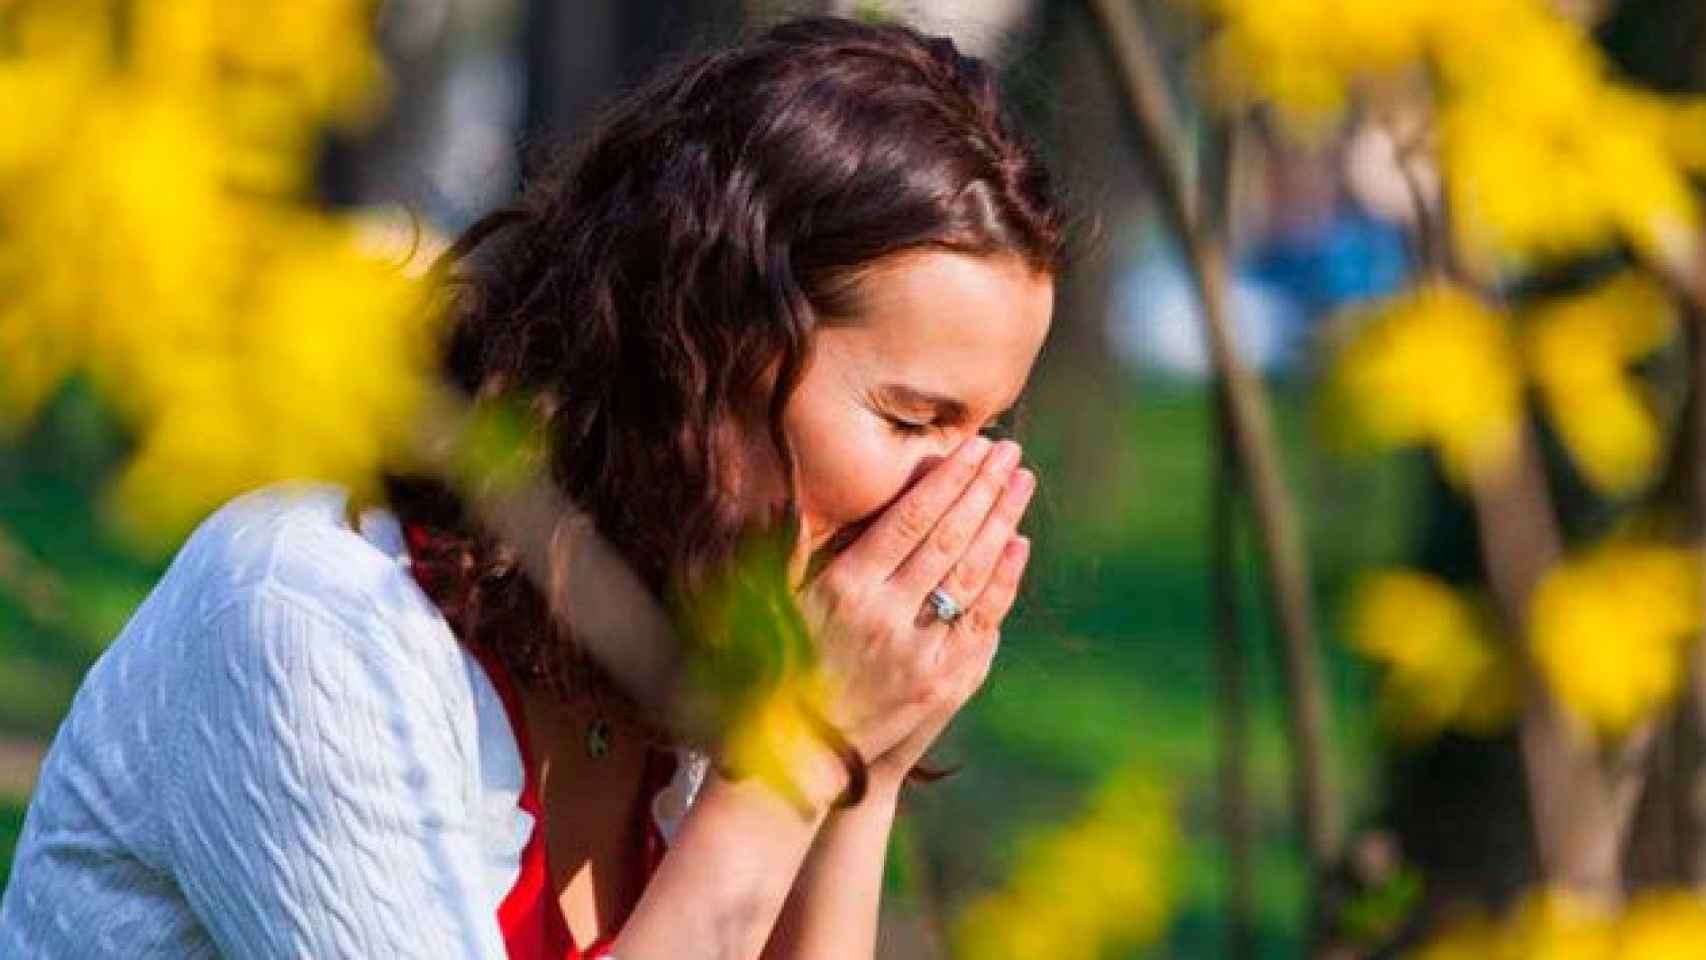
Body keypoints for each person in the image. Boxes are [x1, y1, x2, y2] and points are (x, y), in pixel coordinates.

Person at [0, 15, 1063, 959]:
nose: (965, 487)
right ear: (700, 355)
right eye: (914, 420)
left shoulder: (696, 637)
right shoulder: (312, 618)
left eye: (986, 430)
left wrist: (856, 771)